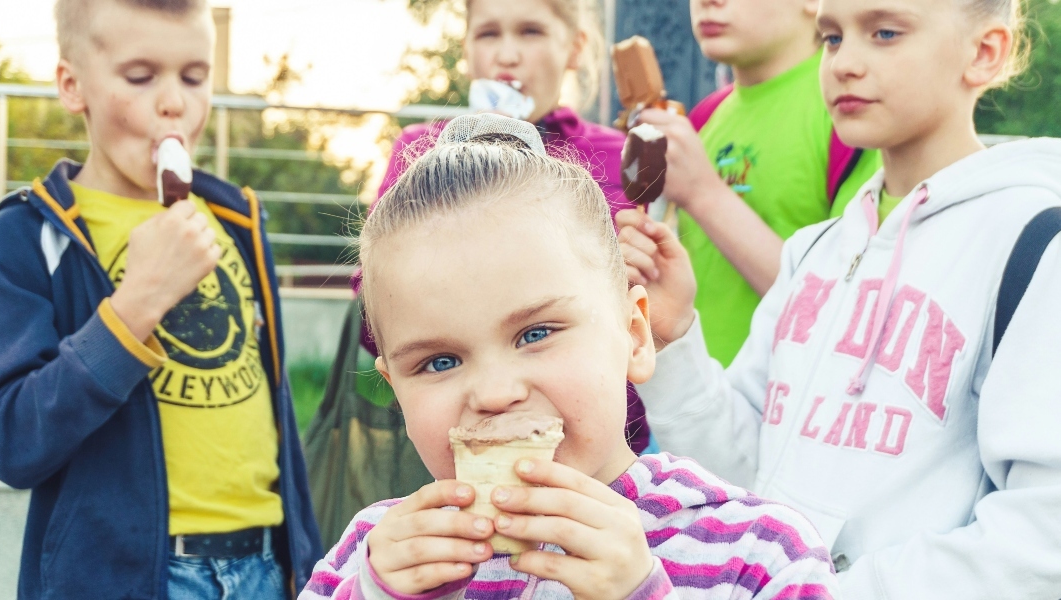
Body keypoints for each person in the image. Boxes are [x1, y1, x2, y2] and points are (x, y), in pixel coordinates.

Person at [619, 0, 1061, 596]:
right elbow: (746, 471)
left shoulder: (1035, 244)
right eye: (830, 37)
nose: (844, 63)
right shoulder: (814, 250)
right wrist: (672, 338)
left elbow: (1039, 539)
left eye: (884, 33)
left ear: (985, 53)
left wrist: (817, 589)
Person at [301, 114, 838, 600]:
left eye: (535, 333)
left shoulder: (756, 554)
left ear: (634, 335)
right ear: (396, 390)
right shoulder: (368, 560)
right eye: (440, 362)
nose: (494, 393)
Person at [0, 0, 321, 597]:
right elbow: (12, 440)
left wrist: (306, 561)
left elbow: (275, 418)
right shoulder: (27, 234)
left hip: (267, 566)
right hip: (126, 578)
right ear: (72, 85)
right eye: (140, 77)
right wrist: (134, 306)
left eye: (194, 77)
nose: (174, 102)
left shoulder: (235, 222)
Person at [368, 0, 651, 451]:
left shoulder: (617, 155)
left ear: (574, 47)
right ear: (467, 48)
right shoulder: (419, 154)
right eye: (488, 34)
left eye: (530, 32)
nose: (507, 54)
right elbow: (379, 313)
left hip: (612, 438)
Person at [620, 0, 882, 367]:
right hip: (691, 395)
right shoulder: (704, 116)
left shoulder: (854, 111)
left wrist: (703, 193)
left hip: (789, 404)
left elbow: (845, 307)